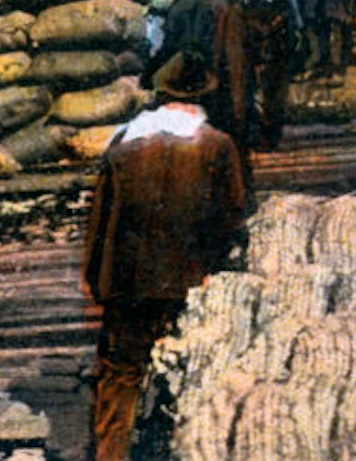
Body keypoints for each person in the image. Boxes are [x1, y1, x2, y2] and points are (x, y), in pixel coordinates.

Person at [82, 50, 248, 461]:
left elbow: (100, 224)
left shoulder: (122, 145)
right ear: (204, 98)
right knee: (197, 373)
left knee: (120, 376)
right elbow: (233, 219)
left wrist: (94, 283)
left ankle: (110, 454)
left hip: (128, 285)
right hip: (190, 284)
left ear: (160, 94)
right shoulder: (217, 146)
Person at [205, 0, 303, 156]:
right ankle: (269, 136)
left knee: (238, 76)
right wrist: (296, 21)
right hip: (267, 15)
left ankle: (240, 135)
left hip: (237, 15)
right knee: (272, 77)